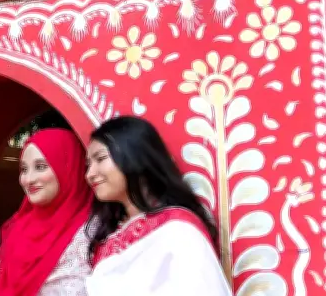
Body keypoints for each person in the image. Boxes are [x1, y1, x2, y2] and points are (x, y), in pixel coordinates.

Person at [84, 116, 232, 296]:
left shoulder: (177, 230)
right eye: (88, 165)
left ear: (135, 155)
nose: (89, 174)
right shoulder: (108, 239)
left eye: (100, 158)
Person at [0, 128, 93, 296]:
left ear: (68, 167)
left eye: (40, 167)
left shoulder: (95, 231)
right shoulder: (18, 227)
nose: (28, 179)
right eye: (24, 169)